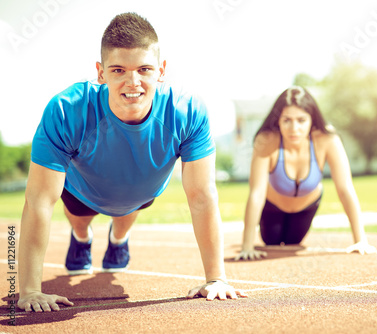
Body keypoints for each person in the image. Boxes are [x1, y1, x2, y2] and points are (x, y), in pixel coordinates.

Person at [18, 12, 246, 313]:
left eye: (144, 69)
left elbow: (202, 196)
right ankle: (82, 238)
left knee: (128, 209)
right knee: (79, 218)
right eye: (118, 70)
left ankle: (118, 238)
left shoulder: (187, 111)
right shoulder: (66, 111)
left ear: (161, 71)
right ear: (101, 73)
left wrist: (216, 278)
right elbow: (39, 201)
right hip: (83, 191)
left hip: (141, 189)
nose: (133, 81)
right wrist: (30, 290)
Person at [235, 86, 375, 261]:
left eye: (301, 120)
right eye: (287, 120)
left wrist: (360, 240)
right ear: (278, 120)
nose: (294, 128)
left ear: (312, 119)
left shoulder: (327, 139)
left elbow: (345, 188)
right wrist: (246, 246)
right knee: (272, 241)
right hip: (273, 207)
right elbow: (256, 192)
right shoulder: (266, 140)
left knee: (293, 241)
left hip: (306, 206)